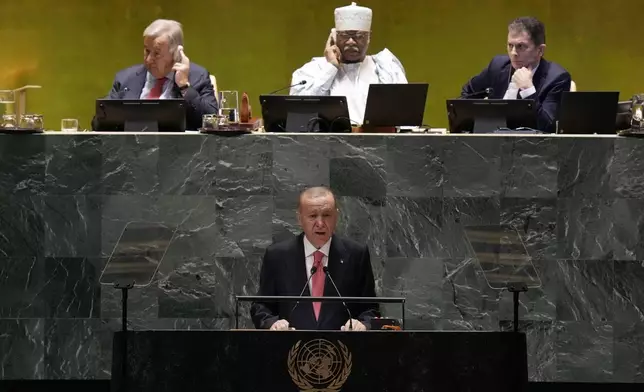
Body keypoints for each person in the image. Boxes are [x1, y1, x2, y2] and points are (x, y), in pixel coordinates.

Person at [250, 186, 379, 331]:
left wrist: (363, 324)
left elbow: (370, 310)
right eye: (312, 216)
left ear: (336, 216)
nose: (320, 223)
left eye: (326, 215)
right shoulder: (277, 256)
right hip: (291, 348)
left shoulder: (356, 254)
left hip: (342, 348)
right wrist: (272, 324)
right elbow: (261, 306)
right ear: (300, 219)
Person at [290, 2, 408, 125]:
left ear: (369, 38)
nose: (351, 41)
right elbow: (298, 111)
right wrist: (331, 68)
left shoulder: (386, 68)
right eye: (345, 36)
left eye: (359, 36)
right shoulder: (315, 69)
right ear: (334, 37)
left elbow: (405, 115)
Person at [94, 19, 218, 130]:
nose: (148, 59)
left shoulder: (197, 76)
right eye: (147, 51)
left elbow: (212, 122)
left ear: (176, 53)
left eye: (156, 53)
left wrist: (184, 86)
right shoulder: (126, 78)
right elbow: (98, 124)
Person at [460, 16, 571, 133]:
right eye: (510, 45)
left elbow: (548, 128)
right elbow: (466, 94)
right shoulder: (497, 66)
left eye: (521, 46)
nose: (513, 53)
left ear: (540, 50)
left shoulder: (557, 78)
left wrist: (528, 90)